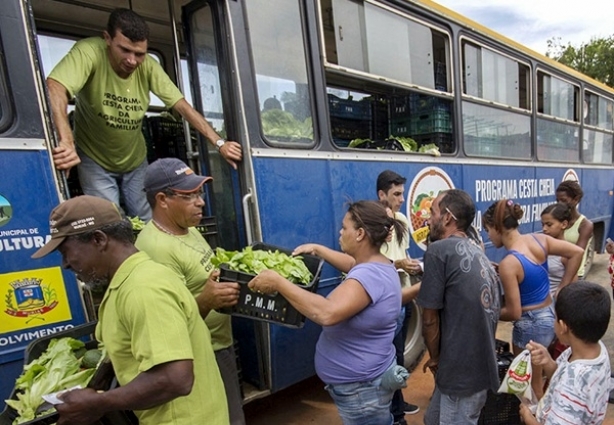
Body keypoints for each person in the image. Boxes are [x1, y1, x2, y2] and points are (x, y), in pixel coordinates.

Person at [31, 195, 229, 425]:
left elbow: (175, 379)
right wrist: (95, 386)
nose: (65, 263)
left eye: (66, 251)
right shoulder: (123, 284)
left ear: (98, 239)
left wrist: (98, 403)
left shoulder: (144, 289)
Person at [47, 8, 242, 221]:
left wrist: (219, 143)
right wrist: (66, 141)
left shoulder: (148, 66)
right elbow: (55, 87)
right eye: (125, 50)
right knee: (110, 222)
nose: (132, 60)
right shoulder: (89, 52)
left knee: (147, 218)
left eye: (139, 54)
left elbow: (182, 106)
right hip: (94, 159)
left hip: (135, 160)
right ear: (107, 39)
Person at [251, 200, 407, 425]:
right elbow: (352, 263)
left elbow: (326, 312)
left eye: (345, 228)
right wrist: (318, 249)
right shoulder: (379, 264)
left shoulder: (368, 276)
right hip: (366, 383)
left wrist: (278, 283)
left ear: (361, 234)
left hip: (361, 390)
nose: (340, 232)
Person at [135, 157, 245, 425]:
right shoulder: (155, 249)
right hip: (201, 355)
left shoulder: (187, 228)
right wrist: (206, 301)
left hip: (220, 344)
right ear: (162, 200)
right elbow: (165, 323)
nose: (201, 202)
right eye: (189, 196)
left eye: (199, 193)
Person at [482, 199, 583, 399]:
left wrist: (487, 311)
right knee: (538, 379)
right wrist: (563, 286)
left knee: (527, 386)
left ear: (498, 227)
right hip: (548, 315)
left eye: (488, 229)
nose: (488, 235)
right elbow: (577, 252)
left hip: (529, 326)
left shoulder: (509, 263)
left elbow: (514, 312)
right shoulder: (537, 240)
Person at [417, 189, 501, 425]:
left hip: (461, 374)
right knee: (432, 419)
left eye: (433, 212)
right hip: (476, 369)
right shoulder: (478, 251)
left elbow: (429, 319)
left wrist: (434, 358)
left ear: (447, 218)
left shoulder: (438, 250)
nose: (428, 219)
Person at [519, 281, 611, 425]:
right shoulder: (596, 348)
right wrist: (548, 362)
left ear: (563, 327)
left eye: (555, 318)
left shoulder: (573, 386)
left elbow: (569, 384)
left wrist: (528, 418)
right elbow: (561, 377)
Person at [376, 170, 421, 423]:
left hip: (402, 296)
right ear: (382, 194)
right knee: (389, 357)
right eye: (396, 194)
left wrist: (409, 266)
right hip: (388, 300)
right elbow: (374, 263)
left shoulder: (401, 219)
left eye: (402, 193)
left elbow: (400, 254)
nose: (401, 199)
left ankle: (398, 405)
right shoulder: (372, 222)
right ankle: (395, 412)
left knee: (399, 355)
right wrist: (399, 264)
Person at [555, 181, 594, 278]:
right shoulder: (557, 220)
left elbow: (577, 253)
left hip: (573, 275)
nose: (559, 204)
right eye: (557, 200)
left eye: (563, 200)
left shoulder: (585, 225)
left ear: (576, 200)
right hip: (555, 273)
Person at [540, 203, 577, 298]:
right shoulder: (541, 248)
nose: (544, 229)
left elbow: (573, 286)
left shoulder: (568, 254)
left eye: (549, 225)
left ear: (564, 224)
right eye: (543, 224)